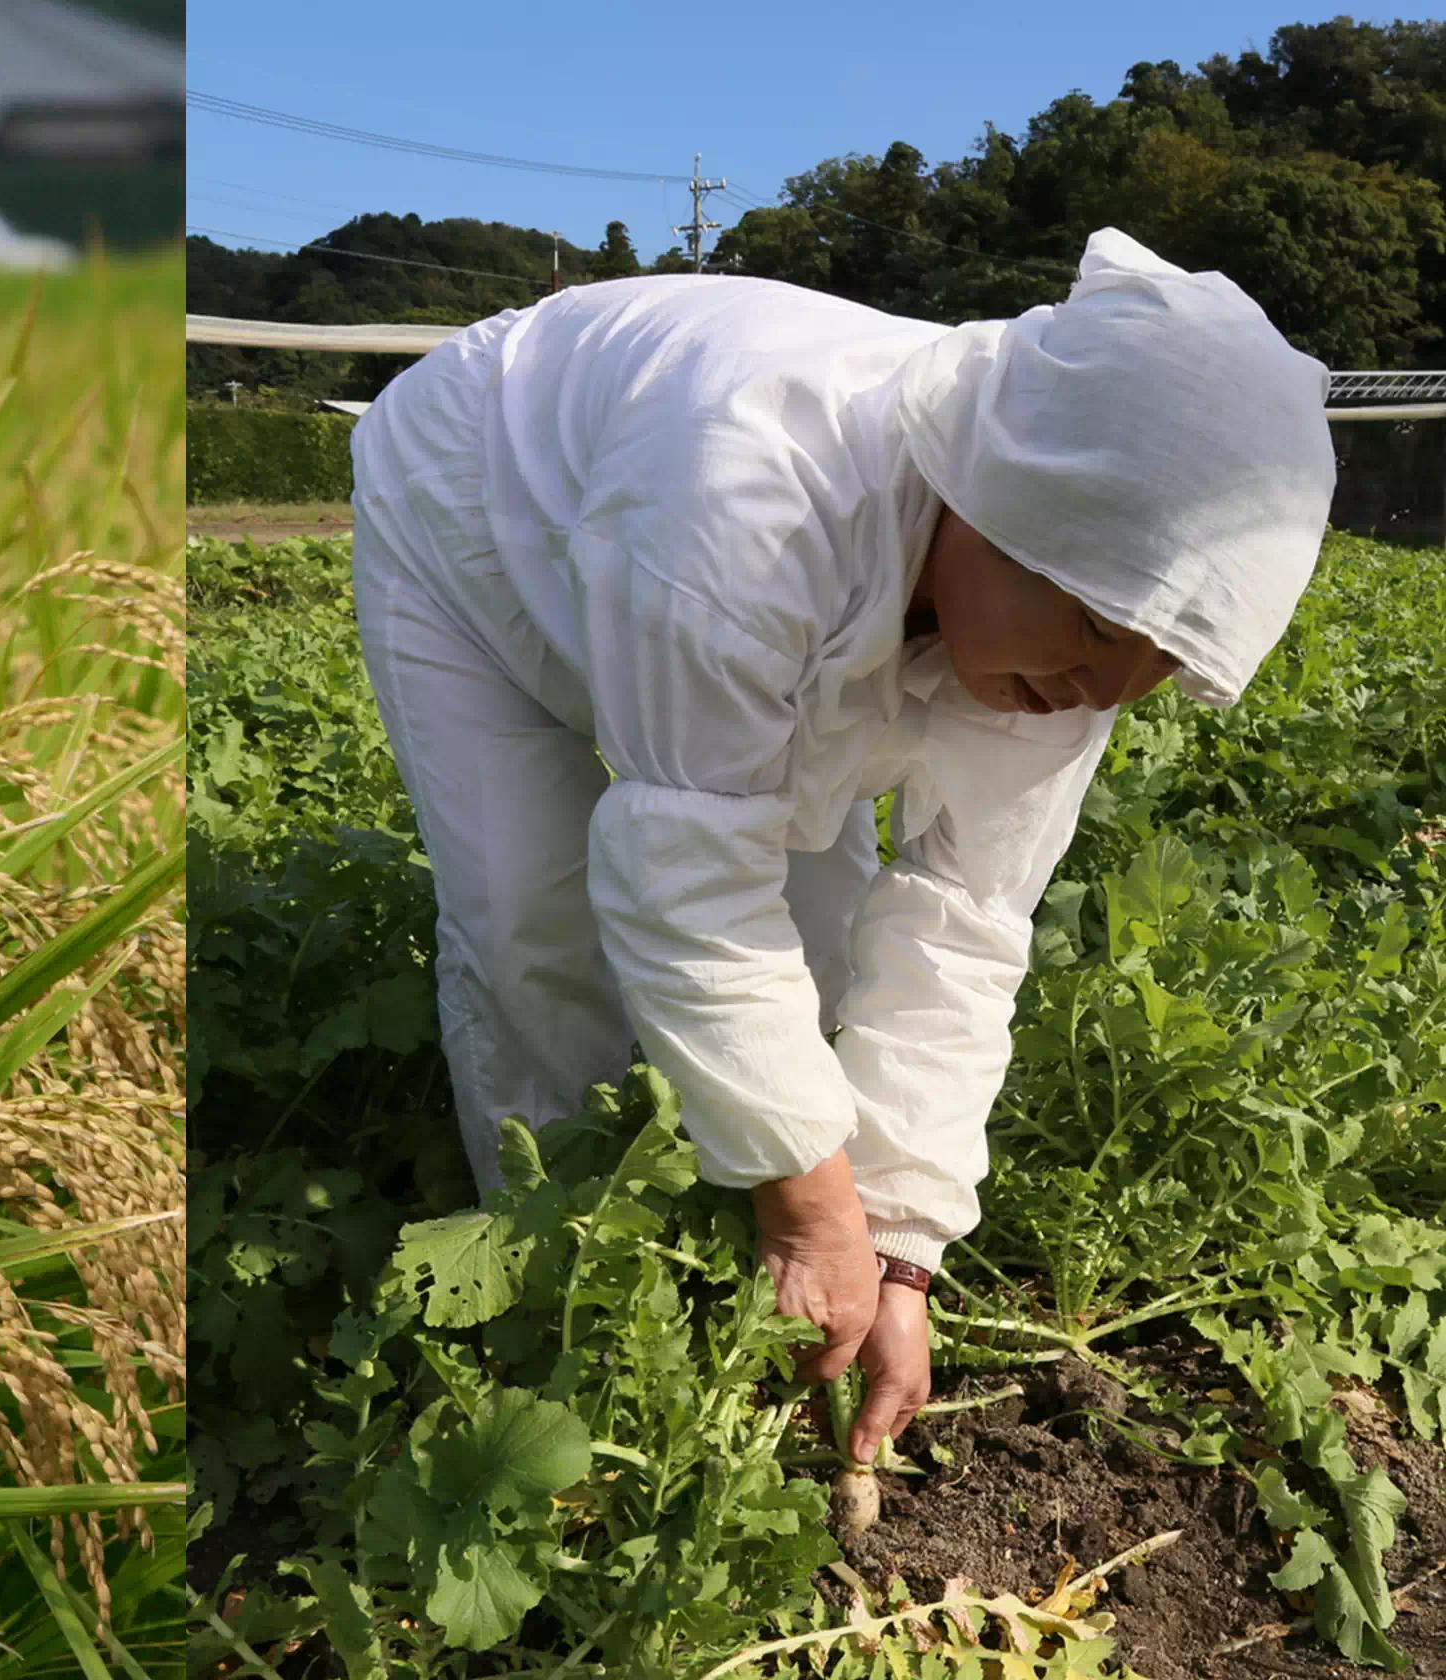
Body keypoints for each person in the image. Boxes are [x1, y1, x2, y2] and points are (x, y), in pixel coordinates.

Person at [347, 228, 1334, 1467]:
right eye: (1087, 628)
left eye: (1149, 670)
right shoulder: (751, 484)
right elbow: (690, 875)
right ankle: (563, 1290)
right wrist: (813, 1211)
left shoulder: (1078, 639)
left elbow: (967, 922)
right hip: (477, 510)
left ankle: (748, 1242)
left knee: (816, 942)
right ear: (997, 491)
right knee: (529, 912)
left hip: (702, 592)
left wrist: (901, 1245)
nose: (1094, 690)